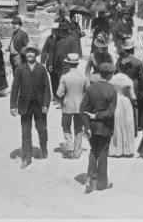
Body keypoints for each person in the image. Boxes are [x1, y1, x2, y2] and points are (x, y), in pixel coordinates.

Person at [10, 43, 51, 169]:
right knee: (25, 132)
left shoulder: (42, 69)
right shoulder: (20, 69)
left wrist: (46, 104)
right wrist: (13, 105)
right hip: (25, 105)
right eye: (28, 52)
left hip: (39, 105)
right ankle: (26, 157)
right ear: (25, 54)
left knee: (42, 129)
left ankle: (43, 148)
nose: (30, 54)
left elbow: (47, 89)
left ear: (36, 54)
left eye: (32, 52)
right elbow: (15, 88)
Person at [80, 63, 117, 193]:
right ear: (110, 75)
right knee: (103, 153)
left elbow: (82, 109)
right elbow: (110, 113)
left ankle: (89, 179)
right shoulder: (112, 90)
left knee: (93, 151)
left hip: (92, 128)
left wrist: (87, 126)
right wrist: (97, 115)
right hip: (105, 127)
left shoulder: (91, 89)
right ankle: (101, 183)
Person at [56, 53, 87, 159]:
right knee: (78, 127)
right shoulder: (83, 77)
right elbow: (88, 92)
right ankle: (77, 151)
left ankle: (69, 147)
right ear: (77, 63)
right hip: (80, 106)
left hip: (67, 105)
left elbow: (59, 93)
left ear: (68, 64)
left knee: (66, 125)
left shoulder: (64, 77)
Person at [116, 37, 143, 131]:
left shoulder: (120, 61)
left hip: (123, 86)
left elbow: (116, 73)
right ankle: (135, 126)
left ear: (125, 49)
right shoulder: (138, 62)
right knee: (135, 106)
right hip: (135, 86)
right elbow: (142, 78)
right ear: (133, 49)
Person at [46, 22, 77, 107]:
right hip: (58, 65)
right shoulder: (57, 39)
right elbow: (52, 52)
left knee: (66, 83)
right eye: (60, 31)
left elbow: (75, 53)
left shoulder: (72, 39)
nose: (61, 32)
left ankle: (66, 101)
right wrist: (51, 64)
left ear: (66, 31)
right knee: (58, 83)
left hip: (67, 65)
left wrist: (73, 65)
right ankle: (60, 100)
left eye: (63, 31)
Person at [108, 72, 137, 157]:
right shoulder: (128, 80)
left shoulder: (112, 80)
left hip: (115, 101)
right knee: (127, 125)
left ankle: (115, 149)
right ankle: (127, 150)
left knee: (116, 124)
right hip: (125, 103)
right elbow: (133, 96)